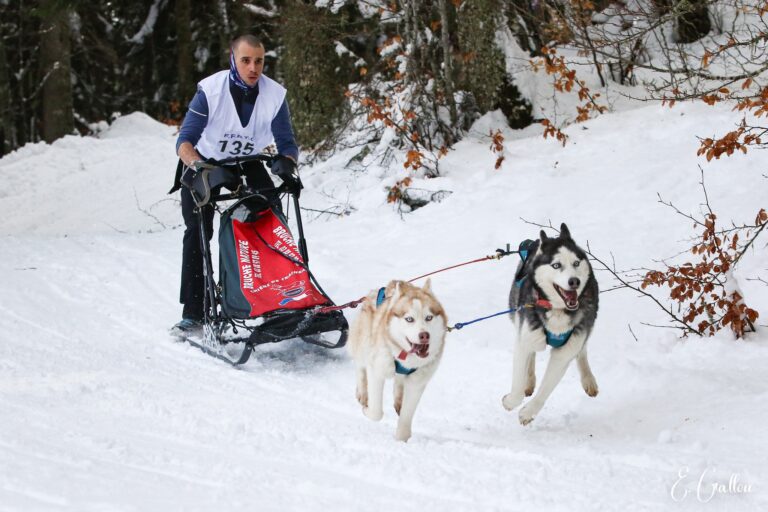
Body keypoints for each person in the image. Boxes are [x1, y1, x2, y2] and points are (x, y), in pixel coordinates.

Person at [170, 34, 299, 335]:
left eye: (259, 61)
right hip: (205, 162)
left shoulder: (274, 95)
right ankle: (194, 311)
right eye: (246, 60)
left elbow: (287, 143)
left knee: (270, 218)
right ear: (233, 59)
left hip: (247, 162)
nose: (253, 68)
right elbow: (184, 142)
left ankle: (279, 297)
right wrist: (203, 168)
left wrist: (287, 161)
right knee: (197, 228)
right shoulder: (211, 91)